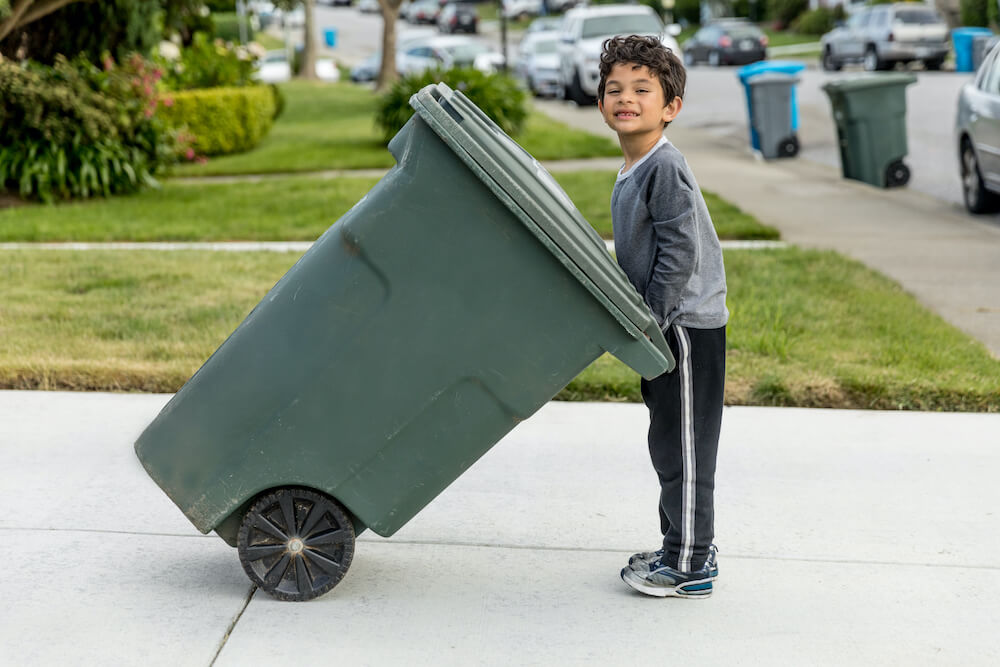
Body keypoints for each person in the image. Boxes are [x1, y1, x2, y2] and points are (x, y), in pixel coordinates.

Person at [597, 34, 728, 598]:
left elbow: (680, 253)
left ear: (669, 108)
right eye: (614, 89)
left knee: (689, 449)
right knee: (668, 444)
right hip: (663, 326)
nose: (626, 98)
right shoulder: (634, 167)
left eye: (642, 89)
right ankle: (677, 544)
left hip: (685, 328)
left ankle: (694, 564)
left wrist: (651, 320)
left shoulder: (663, 167)